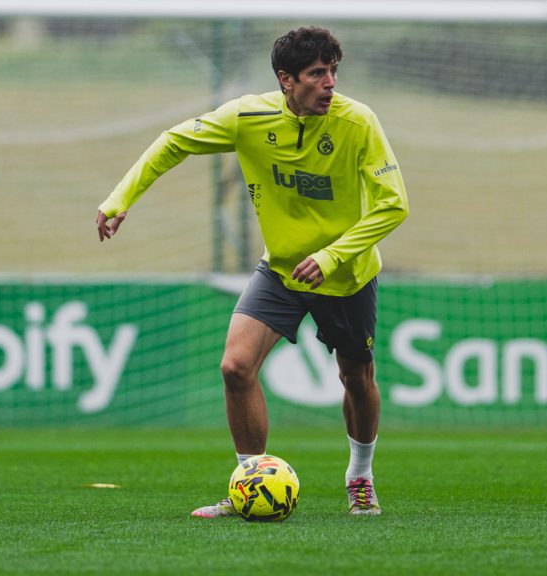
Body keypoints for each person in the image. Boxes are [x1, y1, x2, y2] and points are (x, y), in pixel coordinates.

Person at [95, 26, 408, 517]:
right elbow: (173, 141)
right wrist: (119, 200)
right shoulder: (247, 116)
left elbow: (393, 206)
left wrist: (330, 256)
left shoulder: (358, 121)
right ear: (287, 80)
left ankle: (360, 477)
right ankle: (250, 482)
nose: (330, 83)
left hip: (345, 274)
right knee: (235, 367)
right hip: (281, 270)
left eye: (333, 71)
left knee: (356, 378)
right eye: (317, 74)